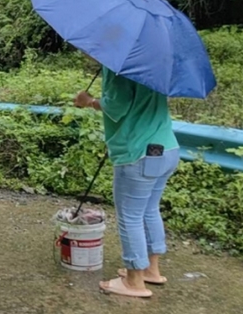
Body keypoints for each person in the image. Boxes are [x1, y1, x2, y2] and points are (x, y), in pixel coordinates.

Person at [74, 66, 180, 298]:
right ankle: (151, 269)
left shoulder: (120, 69)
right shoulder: (152, 67)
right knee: (149, 210)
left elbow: (116, 107)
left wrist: (88, 100)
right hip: (166, 149)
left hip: (137, 153)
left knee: (130, 216)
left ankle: (134, 281)